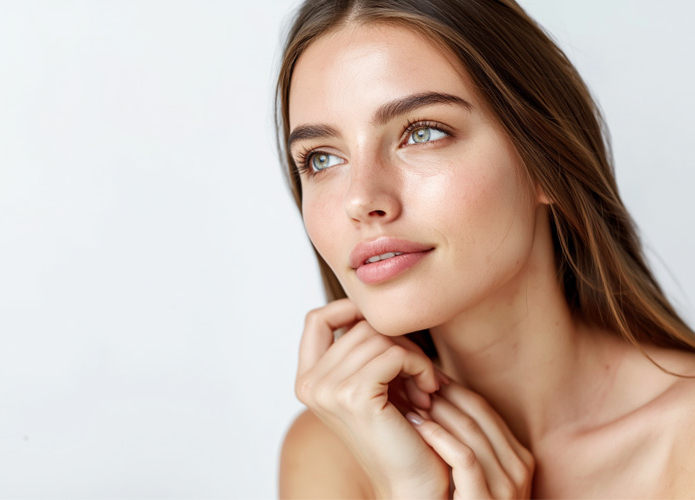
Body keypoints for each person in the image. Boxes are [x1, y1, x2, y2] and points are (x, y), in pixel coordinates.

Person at [274, 0, 695, 498]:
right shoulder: (332, 452)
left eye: (422, 133)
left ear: (546, 162)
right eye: (322, 159)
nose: (361, 200)